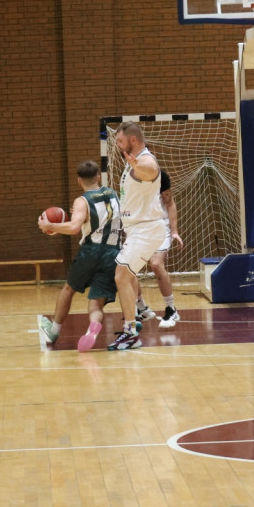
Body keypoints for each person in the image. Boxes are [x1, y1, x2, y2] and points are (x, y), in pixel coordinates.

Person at [37, 160, 122, 352]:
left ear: (78, 181)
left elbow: (74, 227)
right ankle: (93, 327)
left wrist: (50, 226)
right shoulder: (113, 193)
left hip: (91, 250)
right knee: (96, 302)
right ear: (98, 176)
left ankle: (54, 330)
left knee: (69, 289)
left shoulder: (82, 200)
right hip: (113, 252)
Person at [108, 122, 165, 350]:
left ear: (132, 140)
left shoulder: (144, 159)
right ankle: (138, 315)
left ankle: (131, 332)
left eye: (120, 141)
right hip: (135, 229)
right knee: (128, 276)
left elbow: (151, 170)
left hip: (147, 229)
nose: (117, 146)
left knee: (121, 275)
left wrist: (138, 166)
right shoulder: (132, 160)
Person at [133, 169, 184, 329]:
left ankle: (171, 308)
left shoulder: (161, 176)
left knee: (156, 264)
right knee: (128, 269)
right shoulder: (131, 177)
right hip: (141, 227)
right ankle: (142, 308)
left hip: (161, 226)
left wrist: (174, 231)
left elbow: (169, 202)